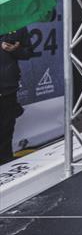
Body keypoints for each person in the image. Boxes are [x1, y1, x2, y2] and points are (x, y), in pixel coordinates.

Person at [0, 26, 34, 164]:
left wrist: (15, 50)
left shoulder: (18, 24)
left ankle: (5, 159)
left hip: (8, 86)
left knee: (7, 125)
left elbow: (28, 52)